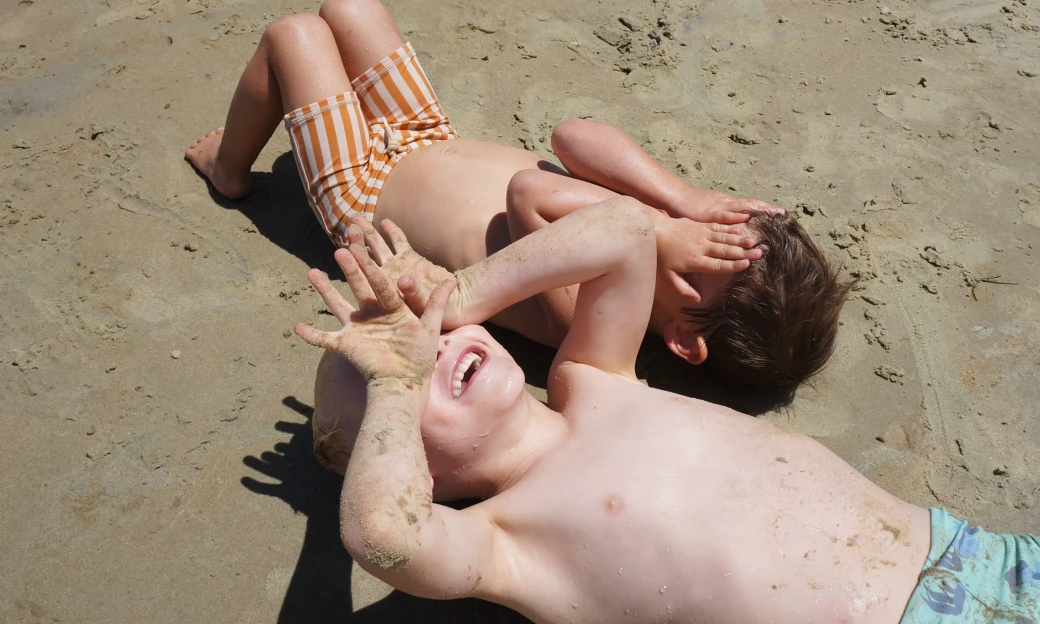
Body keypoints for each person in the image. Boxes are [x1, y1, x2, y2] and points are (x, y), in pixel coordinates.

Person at [297, 202, 1040, 624]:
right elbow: (383, 536)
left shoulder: (592, 379)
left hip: (980, 557)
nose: (426, 348)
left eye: (426, 336)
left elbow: (624, 233)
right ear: (412, 470)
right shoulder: (500, 541)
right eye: (400, 375)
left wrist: (459, 294)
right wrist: (396, 381)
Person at [186, 0, 849, 394]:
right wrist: (681, 196)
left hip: (366, 192)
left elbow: (533, 189)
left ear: (682, 337)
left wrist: (661, 227)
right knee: (350, 8)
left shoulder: (581, 311)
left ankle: (229, 169)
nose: (708, 232)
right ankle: (314, 115)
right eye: (727, 225)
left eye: (715, 255)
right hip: (423, 136)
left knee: (294, 35)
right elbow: (571, 138)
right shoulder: (665, 222)